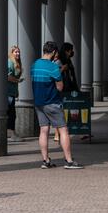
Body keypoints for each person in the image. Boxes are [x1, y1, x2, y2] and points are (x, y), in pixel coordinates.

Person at [31, 41, 83, 170]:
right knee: (63, 129)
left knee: (43, 130)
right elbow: (60, 87)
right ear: (54, 52)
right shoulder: (53, 67)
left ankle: (45, 160)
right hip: (52, 102)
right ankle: (69, 161)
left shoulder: (34, 65)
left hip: (39, 103)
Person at [7, 46, 24, 142]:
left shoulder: (16, 63)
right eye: (16, 52)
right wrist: (18, 80)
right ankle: (12, 134)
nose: (18, 54)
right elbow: (8, 76)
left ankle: (11, 133)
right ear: (12, 53)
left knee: (11, 113)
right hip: (8, 92)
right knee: (11, 114)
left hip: (11, 92)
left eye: (19, 52)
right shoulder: (10, 62)